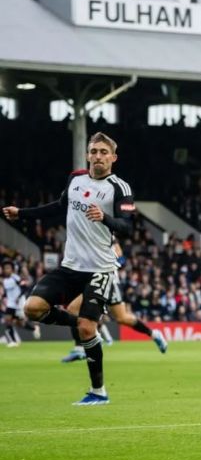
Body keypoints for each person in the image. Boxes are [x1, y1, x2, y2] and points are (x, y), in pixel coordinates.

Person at [2, 132, 134, 405]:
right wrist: (22, 214)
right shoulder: (75, 179)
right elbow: (58, 206)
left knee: (86, 330)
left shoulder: (120, 188)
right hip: (70, 267)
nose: (98, 156)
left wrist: (105, 217)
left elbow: (127, 227)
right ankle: (87, 325)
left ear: (113, 158)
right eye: (94, 151)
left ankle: (98, 392)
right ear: (88, 154)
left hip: (100, 269)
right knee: (33, 309)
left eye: (103, 152)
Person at [60, 242, 168, 362]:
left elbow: (119, 254)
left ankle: (153, 334)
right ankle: (80, 348)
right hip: (93, 280)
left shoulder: (105, 230)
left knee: (122, 318)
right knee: (73, 309)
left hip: (109, 280)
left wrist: (107, 261)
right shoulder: (85, 233)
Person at [2, 260, 40, 346]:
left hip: (18, 304)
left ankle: (34, 328)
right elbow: (6, 292)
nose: (6, 270)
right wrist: (3, 297)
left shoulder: (16, 278)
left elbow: (25, 288)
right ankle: (13, 341)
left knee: (20, 323)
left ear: (12, 269)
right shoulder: (5, 280)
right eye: (5, 268)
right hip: (10, 304)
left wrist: (18, 297)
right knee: (9, 321)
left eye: (8, 268)